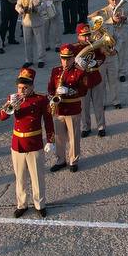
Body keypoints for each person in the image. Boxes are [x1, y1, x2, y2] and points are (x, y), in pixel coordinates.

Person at [0, 64, 54, 218]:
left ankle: (39, 204)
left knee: (37, 177)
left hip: (34, 142)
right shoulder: (13, 98)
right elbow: (2, 117)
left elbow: (48, 121)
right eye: (19, 87)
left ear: (31, 86)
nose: (21, 91)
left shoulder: (41, 99)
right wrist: (9, 106)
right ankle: (21, 204)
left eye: (24, 88)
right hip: (17, 143)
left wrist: (50, 140)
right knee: (20, 177)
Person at [47, 44, 86, 172]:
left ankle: (73, 160)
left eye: (68, 58)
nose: (65, 61)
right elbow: (50, 89)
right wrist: (53, 97)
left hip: (73, 109)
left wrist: (69, 90)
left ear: (73, 58)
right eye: (63, 58)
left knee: (74, 137)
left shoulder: (79, 71)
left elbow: (83, 90)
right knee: (59, 137)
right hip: (59, 110)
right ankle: (60, 160)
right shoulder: (56, 71)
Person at [73, 23, 107, 138]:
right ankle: (85, 127)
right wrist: (78, 65)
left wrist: (97, 62)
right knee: (84, 106)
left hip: (95, 78)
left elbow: (102, 56)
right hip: (82, 82)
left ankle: (101, 126)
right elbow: (70, 64)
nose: (87, 38)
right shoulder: (74, 48)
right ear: (78, 36)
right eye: (84, 35)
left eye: (88, 35)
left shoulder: (94, 44)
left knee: (98, 104)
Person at [16, 0, 47, 67]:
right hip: (26, 21)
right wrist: (21, 10)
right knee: (27, 42)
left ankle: (41, 59)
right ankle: (28, 60)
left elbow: (44, 5)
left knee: (40, 42)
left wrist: (38, 9)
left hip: (37, 20)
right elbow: (17, 5)